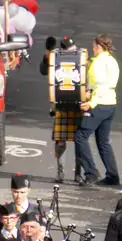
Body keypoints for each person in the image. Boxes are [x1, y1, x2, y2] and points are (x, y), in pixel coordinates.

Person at [73, 35, 120, 189]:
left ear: (99, 46)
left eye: (93, 46)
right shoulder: (112, 61)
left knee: (80, 136)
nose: (92, 49)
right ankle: (112, 176)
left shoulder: (98, 62)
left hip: (98, 104)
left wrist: (90, 102)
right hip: (110, 103)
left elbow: (98, 85)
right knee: (103, 141)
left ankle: (91, 173)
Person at [41, 35, 88, 183]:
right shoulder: (55, 56)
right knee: (60, 140)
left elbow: (88, 77)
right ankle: (60, 172)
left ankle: (78, 173)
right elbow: (44, 70)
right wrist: (46, 55)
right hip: (61, 103)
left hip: (77, 103)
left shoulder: (81, 57)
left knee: (79, 141)